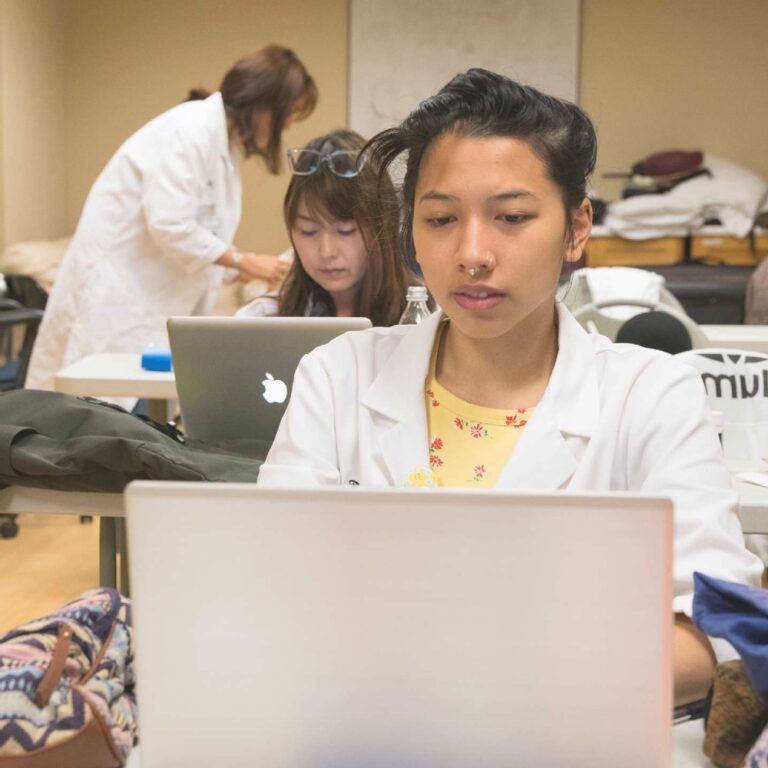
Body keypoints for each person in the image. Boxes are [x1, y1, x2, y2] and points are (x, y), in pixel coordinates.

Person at [257, 68, 764, 705]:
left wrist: (510, 685)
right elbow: (271, 585)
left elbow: (714, 627)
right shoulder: (338, 377)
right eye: (440, 219)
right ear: (410, 231)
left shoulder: (652, 395)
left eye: (512, 217)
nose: (472, 253)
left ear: (577, 227)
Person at [26, 45, 317, 395]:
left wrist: (244, 268)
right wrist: (245, 262)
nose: (288, 124)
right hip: (116, 298)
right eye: (289, 113)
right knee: (81, 412)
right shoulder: (190, 129)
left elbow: (204, 237)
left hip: (146, 301)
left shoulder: (222, 146)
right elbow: (170, 225)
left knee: (112, 413)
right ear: (265, 101)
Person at [237, 129, 408, 324]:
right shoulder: (263, 320)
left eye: (346, 231)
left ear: (383, 227)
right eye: (308, 231)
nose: (327, 252)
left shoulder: (423, 318)